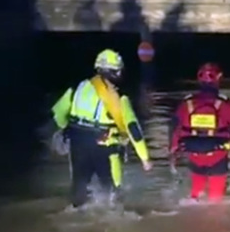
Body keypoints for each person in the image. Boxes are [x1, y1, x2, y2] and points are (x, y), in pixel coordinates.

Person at [50, 48, 153, 208]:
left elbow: (58, 114)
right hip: (105, 146)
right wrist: (145, 159)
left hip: (77, 143)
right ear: (117, 73)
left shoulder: (78, 87)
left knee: (79, 189)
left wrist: (68, 130)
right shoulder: (118, 97)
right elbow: (133, 129)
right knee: (112, 193)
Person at [169, 63, 230, 202]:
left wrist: (172, 150)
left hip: (194, 155)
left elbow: (174, 126)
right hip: (218, 156)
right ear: (219, 79)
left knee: (195, 196)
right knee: (216, 201)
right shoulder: (224, 104)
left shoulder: (187, 103)